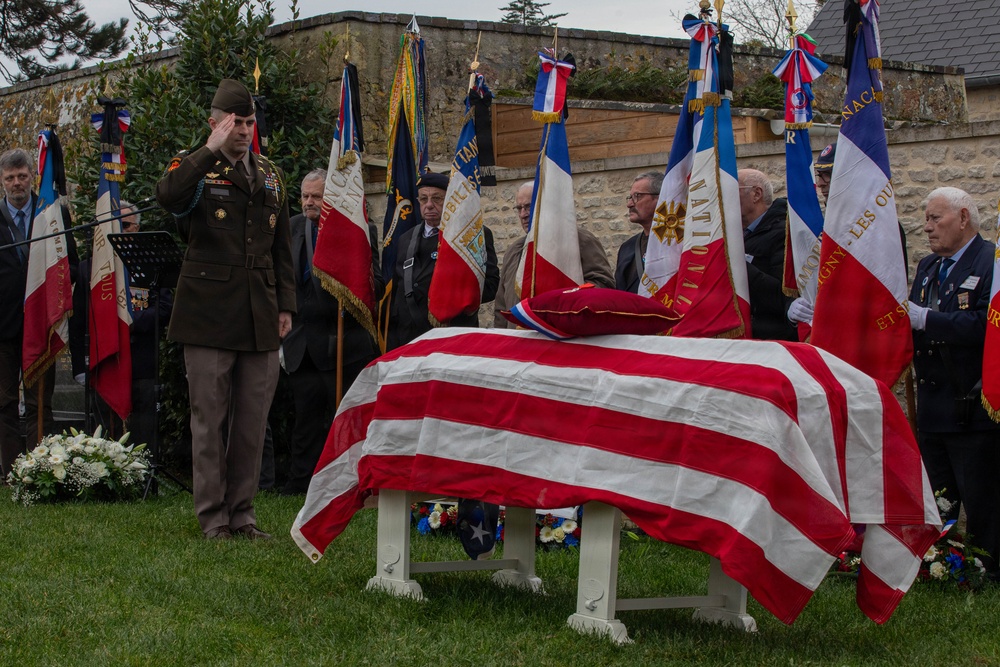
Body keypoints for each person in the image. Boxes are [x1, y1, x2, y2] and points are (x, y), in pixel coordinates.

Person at [156, 79, 295, 540]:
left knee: (253, 421)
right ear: (216, 124)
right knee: (209, 419)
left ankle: (243, 515)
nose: (245, 130)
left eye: (250, 123)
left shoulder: (271, 174)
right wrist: (208, 151)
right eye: (236, 123)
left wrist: (286, 306)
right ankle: (213, 518)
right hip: (209, 312)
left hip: (260, 311)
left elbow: (282, 248)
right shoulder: (195, 168)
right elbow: (168, 196)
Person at [907, 186, 1000, 581]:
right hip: (932, 402)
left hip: (970, 405)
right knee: (939, 497)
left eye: (935, 218)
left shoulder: (991, 262)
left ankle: (986, 569)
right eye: (926, 219)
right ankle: (941, 564)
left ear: (963, 218)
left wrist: (928, 320)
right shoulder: (929, 266)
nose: (926, 228)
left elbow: (985, 325)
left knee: (980, 499)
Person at [279, 169, 382, 495]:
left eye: (316, 197)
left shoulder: (356, 229)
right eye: (305, 196)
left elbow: (374, 283)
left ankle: (351, 484)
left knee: (348, 421)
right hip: (303, 344)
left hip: (343, 345)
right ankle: (300, 486)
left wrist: (348, 285)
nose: (309, 202)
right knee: (305, 421)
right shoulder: (291, 227)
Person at [1, 148, 78, 477]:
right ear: (2, 181)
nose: (16, 183)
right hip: (2, 327)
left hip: (42, 323)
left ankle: (39, 469)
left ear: (32, 176)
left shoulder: (52, 213)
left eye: (22, 176)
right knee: (3, 402)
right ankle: (11, 471)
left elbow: (70, 263)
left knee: (39, 400)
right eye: (9, 178)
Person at [69, 202, 172, 447]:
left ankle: (144, 477)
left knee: (144, 430)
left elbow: (166, 308)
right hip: (105, 362)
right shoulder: (89, 269)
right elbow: (78, 322)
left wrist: (132, 321)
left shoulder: (152, 264)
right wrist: (79, 368)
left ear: (136, 228)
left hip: (142, 361)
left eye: (124, 225)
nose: (118, 230)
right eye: (111, 225)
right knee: (105, 433)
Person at [386, 171, 499, 350]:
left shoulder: (473, 235)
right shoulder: (406, 239)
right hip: (410, 339)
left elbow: (490, 286)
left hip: (453, 336)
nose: (429, 205)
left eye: (437, 198)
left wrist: (452, 295)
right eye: (423, 199)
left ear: (450, 201)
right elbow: (398, 294)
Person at [494, 181, 615, 327]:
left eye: (528, 207)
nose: (523, 214)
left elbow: (604, 286)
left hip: (563, 336)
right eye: (519, 208)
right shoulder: (515, 250)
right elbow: (501, 305)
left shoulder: (580, 241)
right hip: (519, 341)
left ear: (544, 206)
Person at [737, 169, 796, 341]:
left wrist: (736, 263)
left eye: (733, 190)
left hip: (772, 341)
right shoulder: (736, 233)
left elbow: (783, 297)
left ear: (756, 194)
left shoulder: (783, 233)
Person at [615, 171, 662, 293]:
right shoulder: (627, 248)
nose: (629, 204)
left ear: (660, 198)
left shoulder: (678, 244)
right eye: (630, 197)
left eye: (637, 196)